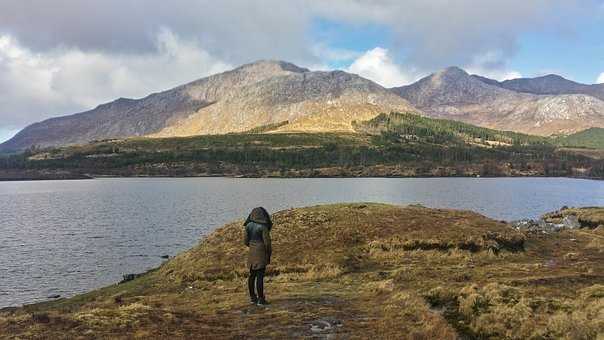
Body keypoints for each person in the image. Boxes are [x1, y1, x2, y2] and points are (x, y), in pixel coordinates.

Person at [243, 207, 272, 306]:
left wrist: (252, 246)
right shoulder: (263, 227)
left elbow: (245, 241)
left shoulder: (248, 226)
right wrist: (268, 254)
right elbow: (267, 243)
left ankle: (252, 298)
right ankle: (261, 299)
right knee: (260, 276)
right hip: (261, 253)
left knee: (252, 275)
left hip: (252, 253)